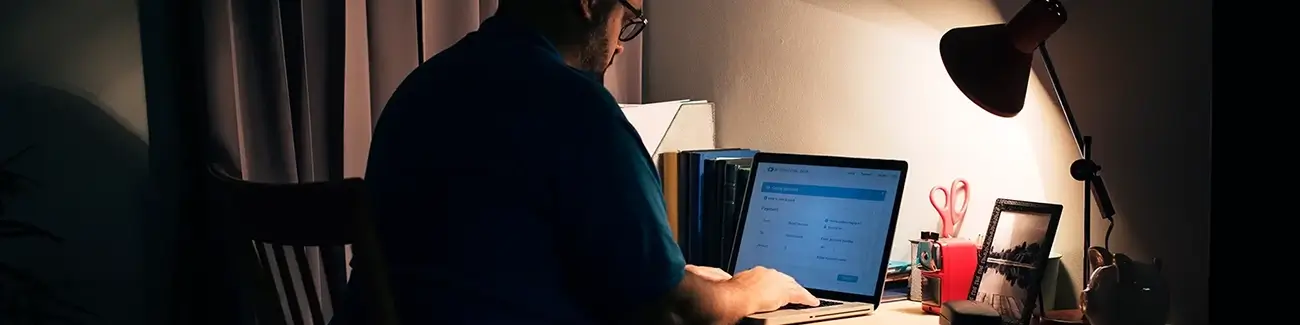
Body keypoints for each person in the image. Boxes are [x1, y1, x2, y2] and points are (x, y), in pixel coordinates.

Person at [358, 0, 818, 324]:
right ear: (588, 4)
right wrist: (752, 289)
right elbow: (674, 311)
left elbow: (494, 258)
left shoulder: (421, 90)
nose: (621, 45)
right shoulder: (574, 108)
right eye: (628, 19)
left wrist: (675, 276)